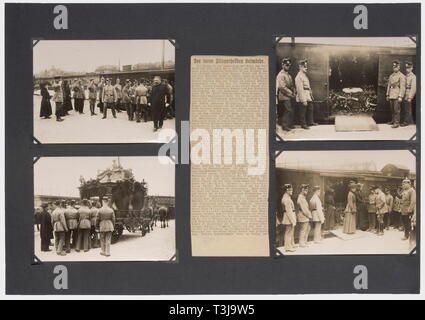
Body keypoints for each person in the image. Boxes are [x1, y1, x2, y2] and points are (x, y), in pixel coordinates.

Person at [295, 59, 317, 129]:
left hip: (307, 94)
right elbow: (300, 89)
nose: (306, 68)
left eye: (306, 66)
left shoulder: (304, 75)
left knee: (310, 108)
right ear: (300, 67)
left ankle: (310, 122)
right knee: (303, 110)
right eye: (304, 66)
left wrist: (310, 95)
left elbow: (307, 86)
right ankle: (303, 124)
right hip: (303, 95)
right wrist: (303, 100)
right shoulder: (299, 77)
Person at [276, 58, 295, 131]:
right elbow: (282, 87)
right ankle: (285, 125)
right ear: (282, 65)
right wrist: (291, 93)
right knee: (288, 110)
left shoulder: (288, 75)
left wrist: (294, 91)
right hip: (284, 96)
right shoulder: (281, 75)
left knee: (290, 110)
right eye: (286, 65)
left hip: (289, 95)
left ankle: (289, 124)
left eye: (289, 65)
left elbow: (291, 85)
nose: (288, 66)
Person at [386, 60, 406, 128]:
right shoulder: (391, 76)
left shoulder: (401, 76)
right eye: (393, 66)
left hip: (397, 95)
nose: (394, 68)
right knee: (392, 109)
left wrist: (400, 96)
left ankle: (396, 123)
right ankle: (393, 121)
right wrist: (387, 94)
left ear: (399, 67)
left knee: (396, 110)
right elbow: (389, 85)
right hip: (391, 94)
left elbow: (402, 87)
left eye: (396, 66)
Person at [281, 184, 296, 252]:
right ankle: (288, 247)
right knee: (288, 233)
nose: (292, 191)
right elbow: (289, 211)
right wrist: (293, 221)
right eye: (290, 190)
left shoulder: (286, 197)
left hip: (288, 217)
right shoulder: (286, 199)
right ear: (287, 190)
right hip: (288, 218)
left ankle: (289, 246)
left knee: (289, 232)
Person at [401, 61, 416, 126]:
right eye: (406, 68)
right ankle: (408, 121)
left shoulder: (413, 77)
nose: (407, 69)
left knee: (408, 109)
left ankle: (407, 122)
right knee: (405, 108)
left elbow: (413, 88)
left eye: (409, 67)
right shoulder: (405, 76)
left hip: (408, 93)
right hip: (404, 93)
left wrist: (410, 97)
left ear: (412, 68)